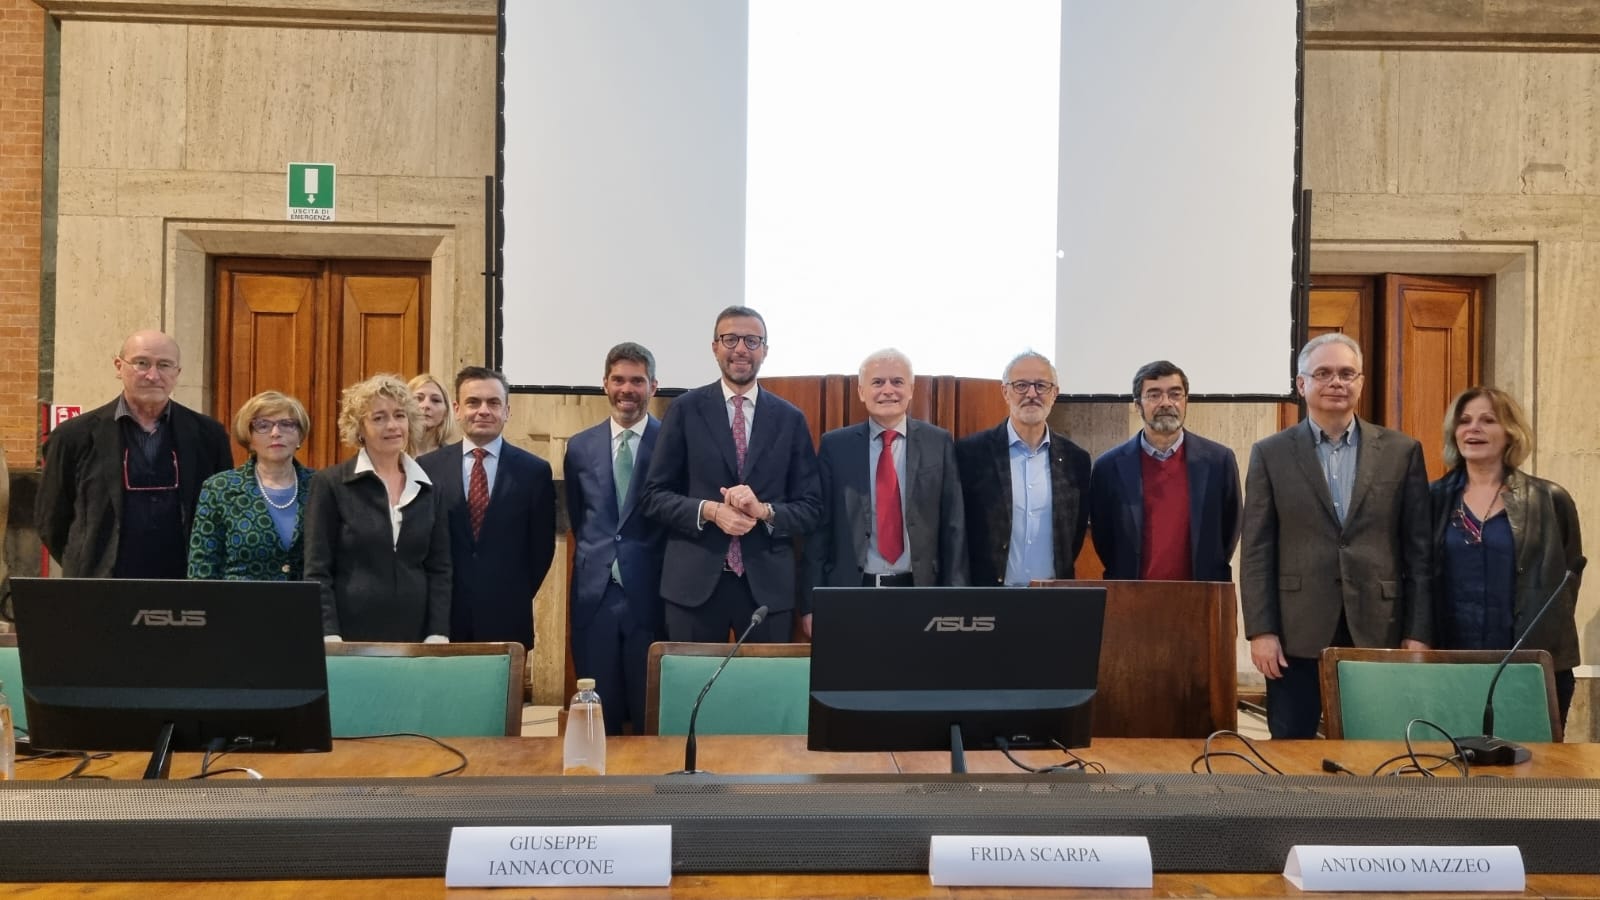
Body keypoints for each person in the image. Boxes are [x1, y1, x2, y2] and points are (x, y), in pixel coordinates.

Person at [1241, 333, 1432, 739]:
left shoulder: (1401, 451)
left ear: (1360, 382)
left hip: (1380, 627)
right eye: (1323, 373)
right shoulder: (1270, 453)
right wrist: (1261, 631)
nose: (1336, 382)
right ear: (1301, 384)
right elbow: (1257, 550)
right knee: (1291, 750)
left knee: (1378, 746)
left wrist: (1418, 632)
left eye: (1347, 373)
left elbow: (1419, 551)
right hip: (1295, 632)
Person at [641, 305, 822, 643]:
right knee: (692, 678)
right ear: (715, 347)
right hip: (693, 586)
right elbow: (654, 496)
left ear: (765, 350)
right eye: (731, 339)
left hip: (767, 590)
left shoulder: (790, 419)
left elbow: (811, 508)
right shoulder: (684, 410)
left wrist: (765, 511)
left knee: (764, 679)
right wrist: (710, 511)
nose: (741, 348)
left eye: (752, 341)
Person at [1430, 387, 1583, 727]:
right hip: (1450, 667)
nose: (1474, 428)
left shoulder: (1550, 499)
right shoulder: (1432, 499)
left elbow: (1566, 584)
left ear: (1510, 432)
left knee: (1533, 759)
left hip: (1530, 667)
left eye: (1488, 420)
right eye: (1465, 421)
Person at [36, 329, 233, 578]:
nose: (153, 375)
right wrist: (86, 561)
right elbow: (50, 518)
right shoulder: (73, 436)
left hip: (185, 581)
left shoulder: (208, 435)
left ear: (177, 373)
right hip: (100, 585)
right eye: (142, 363)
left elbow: (224, 512)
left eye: (164, 365)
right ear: (119, 366)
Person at [804, 349, 966, 629]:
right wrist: (811, 603)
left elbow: (954, 526)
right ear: (862, 391)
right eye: (878, 382)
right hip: (851, 593)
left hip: (922, 593)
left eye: (897, 382)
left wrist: (957, 598)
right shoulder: (835, 446)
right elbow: (820, 529)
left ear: (911, 389)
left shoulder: (938, 443)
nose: (888, 390)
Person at [564, 342, 666, 732]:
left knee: (649, 713)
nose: (627, 389)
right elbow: (580, 516)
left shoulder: (671, 441)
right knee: (598, 714)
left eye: (637, 381)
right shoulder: (579, 447)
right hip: (596, 598)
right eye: (618, 380)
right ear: (605, 384)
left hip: (652, 596)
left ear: (653, 386)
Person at [304, 374, 451, 643]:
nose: (392, 425)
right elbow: (317, 570)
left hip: (416, 639)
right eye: (379, 418)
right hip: (348, 637)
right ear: (359, 428)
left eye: (399, 415)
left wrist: (437, 633)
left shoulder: (429, 488)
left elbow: (440, 569)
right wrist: (329, 633)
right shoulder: (331, 484)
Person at [418, 366, 555, 649]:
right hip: (443, 622)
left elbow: (541, 550)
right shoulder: (428, 468)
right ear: (457, 409)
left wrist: (511, 594)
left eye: (493, 403)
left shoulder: (534, 472)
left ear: (507, 411)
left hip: (506, 618)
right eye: (473, 402)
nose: (483, 411)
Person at [1088, 360, 1243, 581]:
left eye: (1175, 394)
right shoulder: (1108, 467)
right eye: (1154, 395)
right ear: (1137, 405)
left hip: (1202, 592)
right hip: (1131, 594)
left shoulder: (1219, 461)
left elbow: (1230, 531)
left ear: (1186, 401)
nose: (1166, 403)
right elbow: (1103, 539)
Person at [955, 351, 1091, 585]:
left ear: (1054, 393)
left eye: (1041, 386)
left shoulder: (1076, 460)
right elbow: (959, 530)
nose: (1031, 394)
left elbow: (1073, 534)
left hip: (1053, 595)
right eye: (1021, 385)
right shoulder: (970, 454)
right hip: (988, 595)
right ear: (1005, 392)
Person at [187, 391, 316, 580]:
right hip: (238, 598)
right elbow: (202, 569)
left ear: (300, 435)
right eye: (263, 425)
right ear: (249, 438)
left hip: (307, 598)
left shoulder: (320, 485)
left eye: (287, 424)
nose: (276, 433)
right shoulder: (219, 489)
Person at [409, 373, 458, 456]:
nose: (426, 405)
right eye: (418, 398)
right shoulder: (389, 452)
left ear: (446, 411)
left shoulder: (454, 457)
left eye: (435, 400)